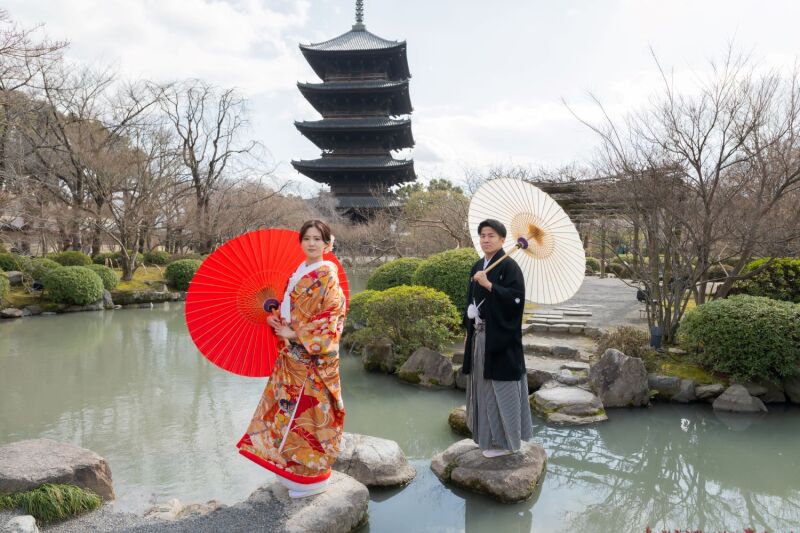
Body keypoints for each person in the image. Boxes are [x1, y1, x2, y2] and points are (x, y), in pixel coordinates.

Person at [237, 219, 347, 498]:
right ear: (301, 242)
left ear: (327, 244)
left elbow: (330, 321)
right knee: (286, 414)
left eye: (317, 239)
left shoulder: (327, 275)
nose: (311, 243)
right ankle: (288, 471)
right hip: (292, 358)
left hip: (313, 362)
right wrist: (279, 321)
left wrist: (294, 332)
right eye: (307, 238)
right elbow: (294, 311)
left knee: (308, 418)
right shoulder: (299, 272)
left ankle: (310, 479)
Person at [461, 219, 533, 458]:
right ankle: (486, 440)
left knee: (501, 389)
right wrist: (469, 325)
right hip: (479, 336)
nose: (486, 239)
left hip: (500, 340)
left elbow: (516, 301)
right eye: (482, 235)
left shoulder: (510, 267)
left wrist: (490, 285)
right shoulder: (476, 266)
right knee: (481, 389)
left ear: (503, 240)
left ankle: (506, 443)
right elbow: (470, 300)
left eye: (491, 235)